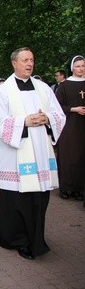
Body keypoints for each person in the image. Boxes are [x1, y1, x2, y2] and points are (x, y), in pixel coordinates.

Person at [0, 47, 66, 260]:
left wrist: (47, 119)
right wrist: (24, 121)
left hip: (40, 153)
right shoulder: (4, 91)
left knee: (38, 199)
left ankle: (36, 238)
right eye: (25, 60)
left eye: (31, 59)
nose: (29, 63)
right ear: (14, 63)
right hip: (16, 154)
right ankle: (18, 240)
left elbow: (59, 114)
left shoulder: (43, 88)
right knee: (18, 200)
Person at [55, 55, 85, 201]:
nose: (81, 68)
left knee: (81, 158)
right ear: (72, 67)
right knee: (68, 158)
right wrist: (74, 109)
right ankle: (66, 188)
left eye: (83, 66)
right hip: (69, 127)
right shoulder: (64, 86)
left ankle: (79, 189)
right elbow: (57, 106)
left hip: (82, 127)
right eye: (78, 66)